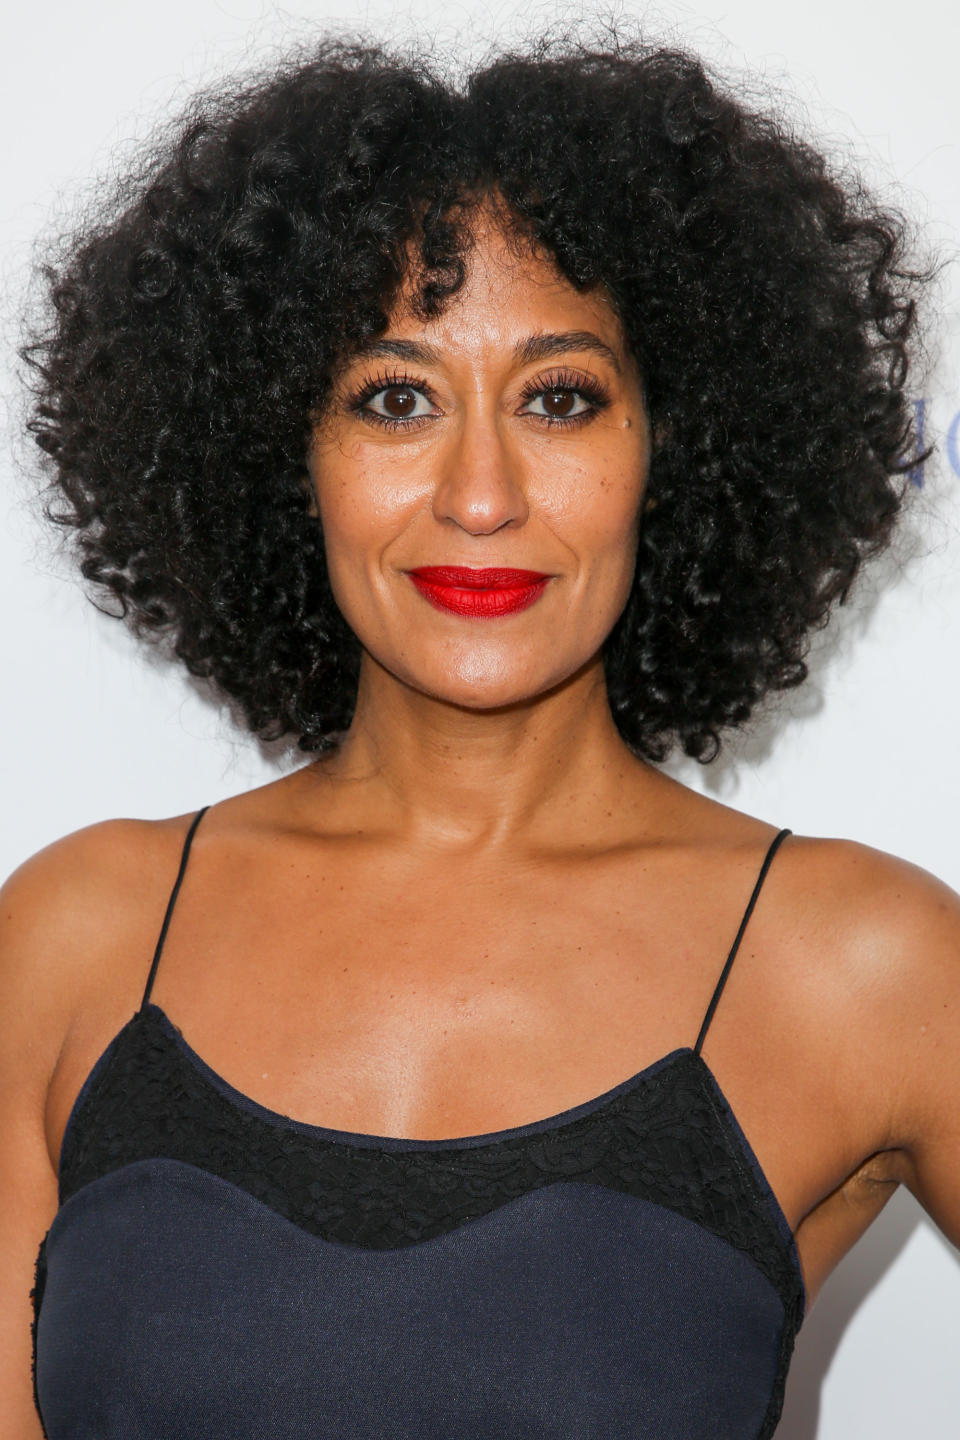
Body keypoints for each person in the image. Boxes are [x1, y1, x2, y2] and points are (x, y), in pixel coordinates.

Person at [2, 31, 958, 1440]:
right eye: (396, 400)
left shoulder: (863, 965)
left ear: (674, 445)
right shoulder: (74, 936)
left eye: (560, 398)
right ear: (284, 451)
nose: (484, 493)